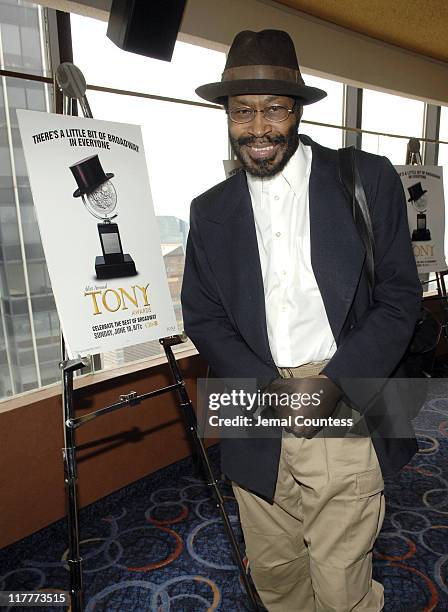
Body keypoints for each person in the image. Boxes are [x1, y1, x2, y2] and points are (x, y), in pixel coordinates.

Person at [181, 29, 422, 611]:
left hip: (343, 394)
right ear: (227, 115)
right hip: (252, 402)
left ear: (297, 112)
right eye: (243, 112)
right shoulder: (209, 209)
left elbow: (398, 298)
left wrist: (334, 382)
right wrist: (266, 388)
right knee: (276, 570)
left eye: (273, 110)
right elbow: (203, 314)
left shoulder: (367, 178)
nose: (258, 129)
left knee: (342, 581)